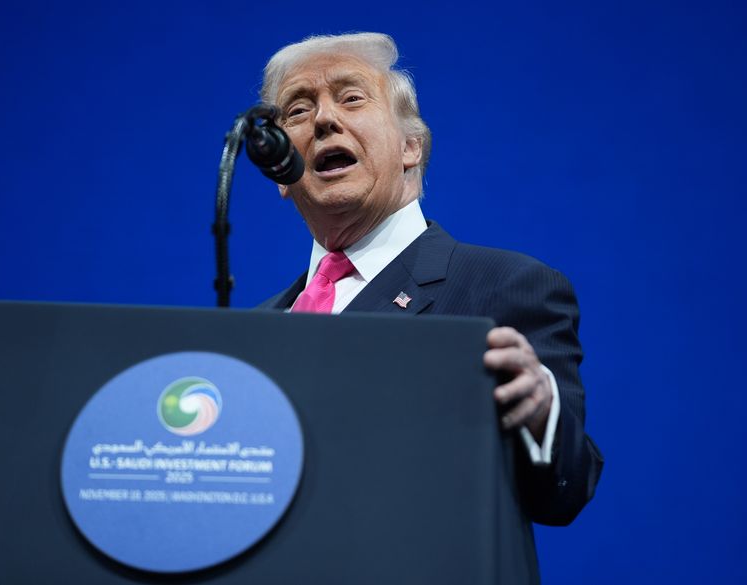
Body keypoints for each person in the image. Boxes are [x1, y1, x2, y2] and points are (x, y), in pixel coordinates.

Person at [258, 31, 603, 569]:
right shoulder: (259, 327)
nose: (323, 120)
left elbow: (566, 492)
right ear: (280, 171)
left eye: (351, 98)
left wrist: (541, 416)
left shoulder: (504, 285)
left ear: (410, 147)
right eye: (298, 110)